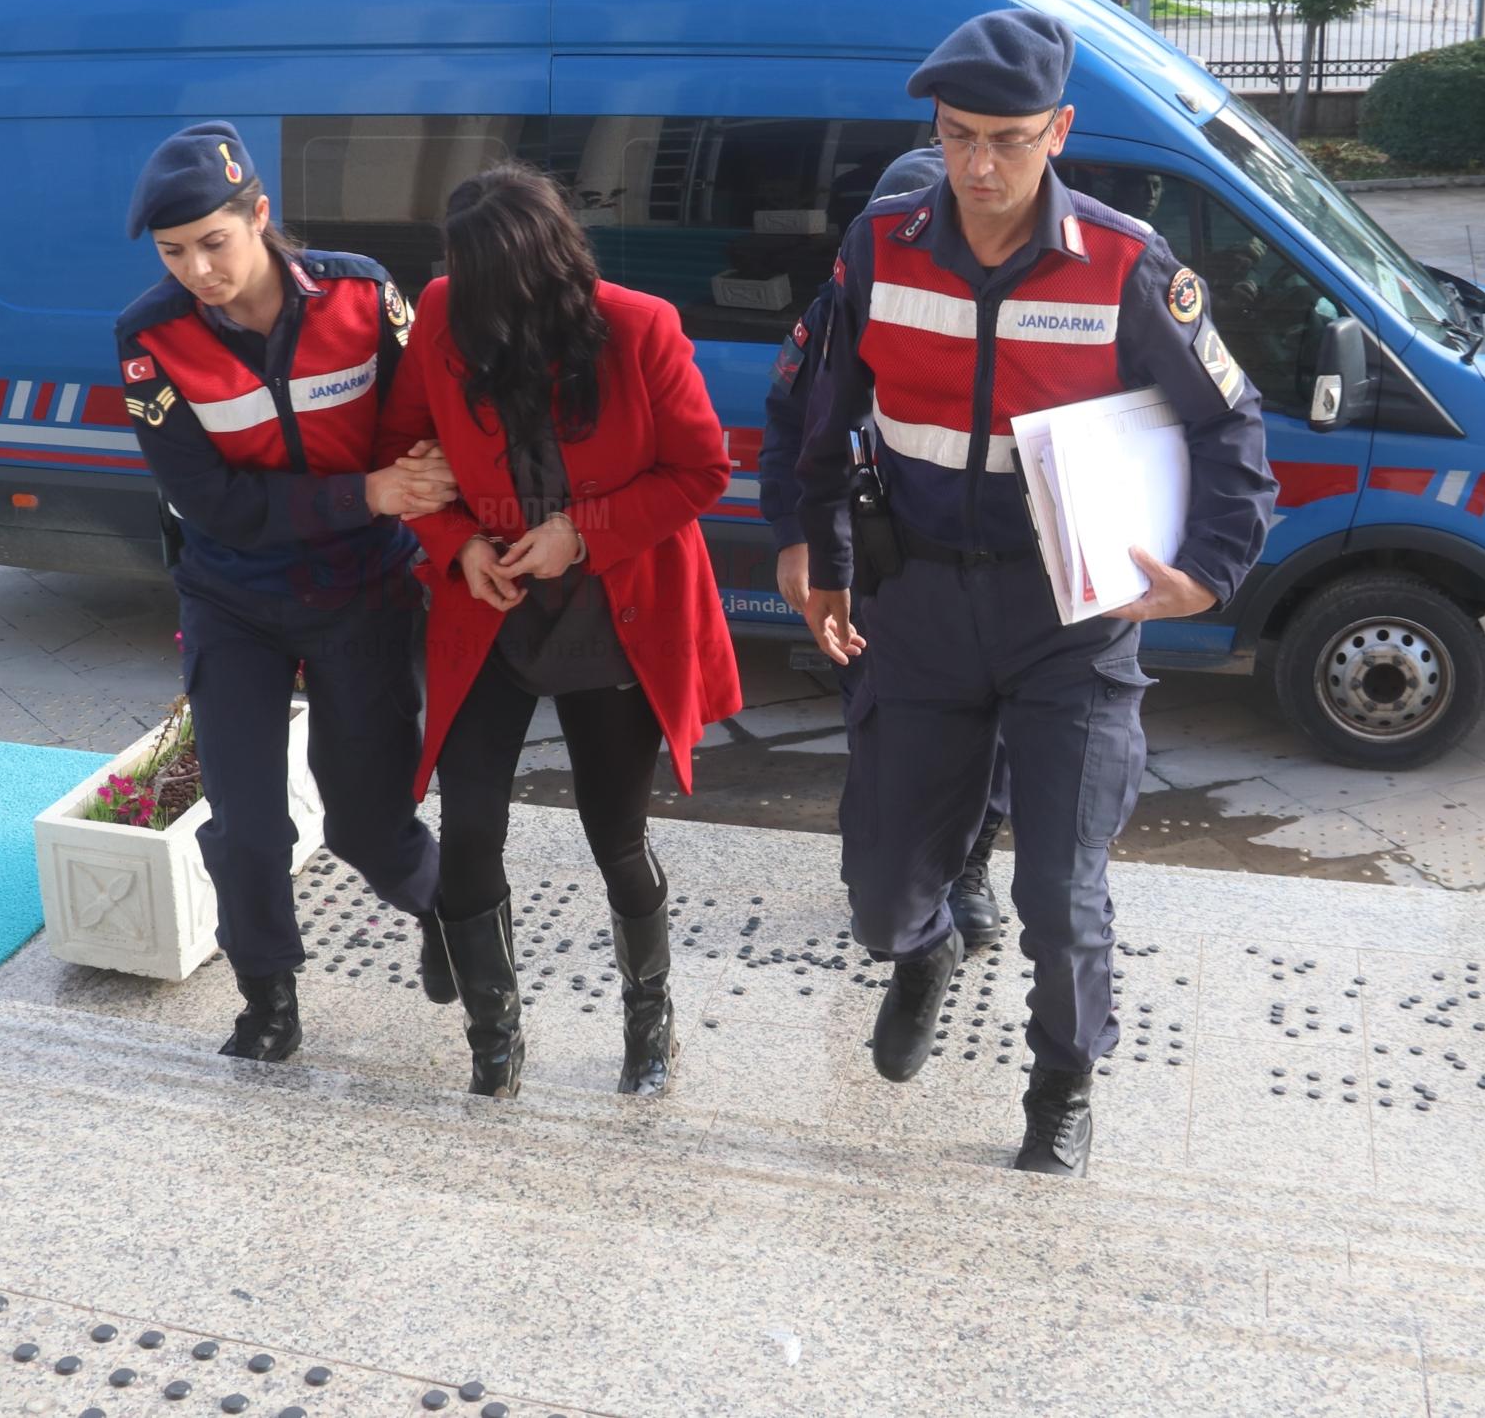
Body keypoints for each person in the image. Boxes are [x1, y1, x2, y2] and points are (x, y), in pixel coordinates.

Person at [794, 11, 1275, 1177]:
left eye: (1009, 140)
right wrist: (812, 550)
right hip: (915, 614)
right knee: (873, 896)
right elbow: (809, 418)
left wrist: (1207, 570)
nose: (980, 166)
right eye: (958, 137)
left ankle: (1062, 1078)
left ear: (1058, 130)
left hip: (1071, 621)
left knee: (1061, 897)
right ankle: (923, 950)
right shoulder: (881, 247)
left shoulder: (1126, 265)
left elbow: (1232, 428)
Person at [377, 163, 742, 1100]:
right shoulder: (446, 311)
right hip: (488, 607)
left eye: (493, 288)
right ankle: (493, 1038)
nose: (471, 307)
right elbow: (403, 453)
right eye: (460, 281)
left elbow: (702, 469)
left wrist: (581, 533)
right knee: (467, 830)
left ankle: (648, 1018)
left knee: (613, 833)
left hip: (610, 612)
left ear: (547, 269)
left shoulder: (638, 327)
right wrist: (457, 545)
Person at [117, 122, 461, 1063]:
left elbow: (420, 411)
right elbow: (213, 504)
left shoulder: (362, 293)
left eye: (214, 243)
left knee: (366, 822)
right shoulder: (149, 341)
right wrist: (370, 492)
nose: (198, 270)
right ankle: (267, 1000)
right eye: (174, 252)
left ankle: (443, 907)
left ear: (261, 216)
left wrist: (424, 471)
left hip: (364, 595)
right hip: (234, 599)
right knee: (251, 825)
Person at [759, 144, 1013, 956]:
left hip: (979, 567)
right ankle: (878, 864)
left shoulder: (1002, 310)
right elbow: (788, 431)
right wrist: (795, 537)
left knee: (995, 730)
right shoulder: (839, 309)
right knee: (881, 728)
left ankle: (968, 866)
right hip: (870, 564)